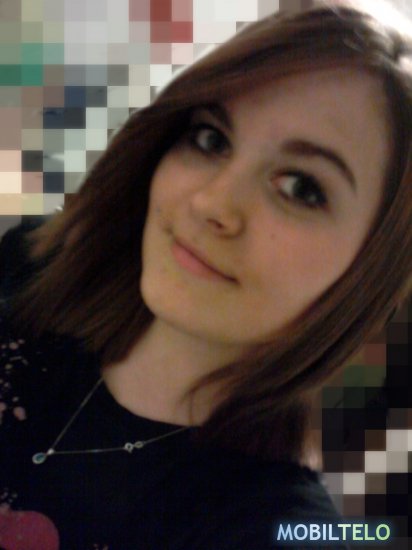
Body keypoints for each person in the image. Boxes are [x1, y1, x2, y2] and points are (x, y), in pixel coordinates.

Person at [1, 0, 411, 548]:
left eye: (301, 188)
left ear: (371, 270)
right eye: (211, 139)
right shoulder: (28, 267)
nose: (211, 203)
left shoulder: (267, 528)